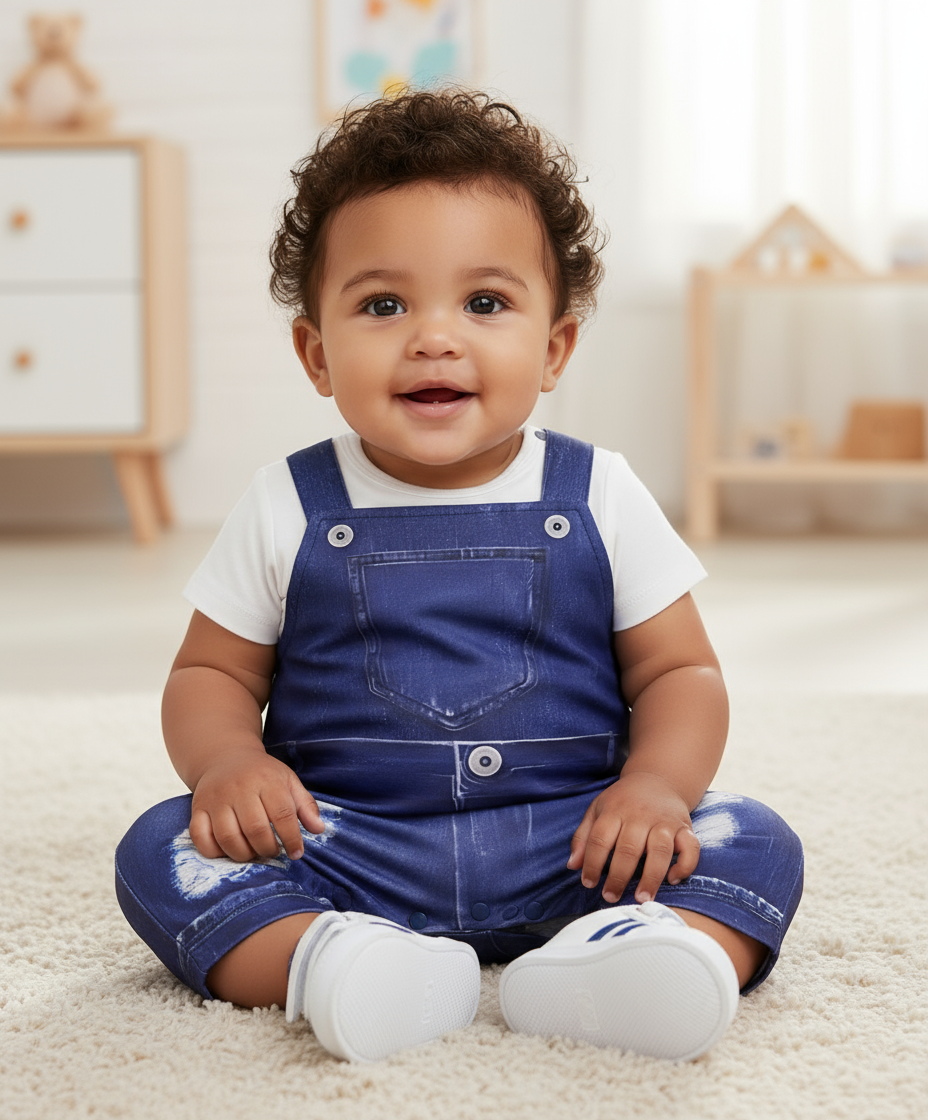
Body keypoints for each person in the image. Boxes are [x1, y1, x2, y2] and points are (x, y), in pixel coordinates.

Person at [115, 89, 803, 1065]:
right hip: (347, 846)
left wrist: (653, 787)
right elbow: (210, 674)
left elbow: (678, 672)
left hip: (576, 843)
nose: (434, 337)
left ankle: (632, 959)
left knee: (750, 835)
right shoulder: (285, 502)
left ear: (554, 347)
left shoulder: (600, 491)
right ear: (316, 352)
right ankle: (331, 964)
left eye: (484, 303)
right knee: (164, 846)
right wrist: (229, 764)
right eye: (383, 304)